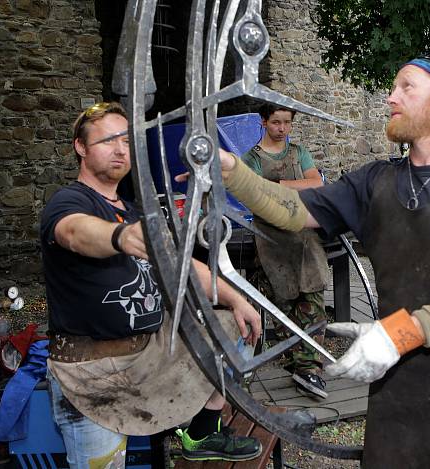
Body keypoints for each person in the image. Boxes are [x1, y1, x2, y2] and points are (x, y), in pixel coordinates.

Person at [218, 57, 430, 468]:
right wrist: (232, 171)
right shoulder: (375, 181)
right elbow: (293, 210)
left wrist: (400, 333)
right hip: (398, 385)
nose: (391, 96)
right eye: (393, 86)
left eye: (406, 87)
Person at [40, 102, 263, 468]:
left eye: (127, 142)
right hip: (94, 375)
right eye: (108, 140)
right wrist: (119, 236)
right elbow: (73, 232)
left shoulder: (132, 210)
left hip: (151, 356)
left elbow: (182, 267)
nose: (120, 149)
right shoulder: (70, 201)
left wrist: (234, 298)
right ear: (80, 147)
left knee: (232, 329)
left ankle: (203, 433)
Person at [241, 103, 330, 399]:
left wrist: (277, 184)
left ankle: (311, 367)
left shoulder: (299, 153)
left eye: (287, 123)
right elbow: (253, 192)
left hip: (304, 235)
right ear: (263, 122)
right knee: (282, 304)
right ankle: (296, 363)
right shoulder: (251, 158)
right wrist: (293, 187)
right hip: (270, 240)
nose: (282, 128)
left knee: (313, 298)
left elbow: (316, 183)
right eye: (276, 122)